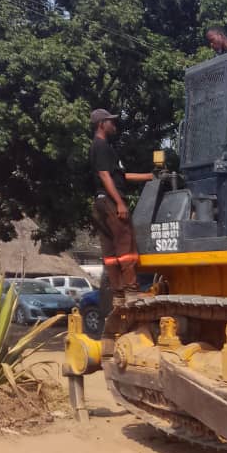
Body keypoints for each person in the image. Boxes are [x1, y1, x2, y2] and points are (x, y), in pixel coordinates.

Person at [89, 108, 153, 306]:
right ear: (101, 124)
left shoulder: (104, 148)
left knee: (110, 251)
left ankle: (118, 295)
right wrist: (119, 202)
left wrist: (151, 177)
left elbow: (120, 176)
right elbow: (105, 176)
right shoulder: (100, 146)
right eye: (111, 122)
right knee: (126, 246)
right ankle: (131, 291)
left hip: (101, 202)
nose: (114, 125)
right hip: (109, 201)